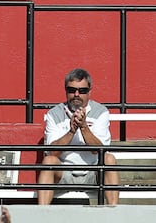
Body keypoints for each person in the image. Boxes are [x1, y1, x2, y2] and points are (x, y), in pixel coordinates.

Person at [38, 69, 118, 206]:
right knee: (49, 161)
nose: (76, 94)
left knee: (109, 159)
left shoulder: (101, 112)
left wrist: (84, 127)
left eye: (82, 91)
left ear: (89, 91)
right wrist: (71, 131)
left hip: (93, 172)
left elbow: (98, 150)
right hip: (63, 172)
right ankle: (42, 215)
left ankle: (114, 215)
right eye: (72, 90)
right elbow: (52, 152)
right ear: (65, 90)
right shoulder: (54, 114)